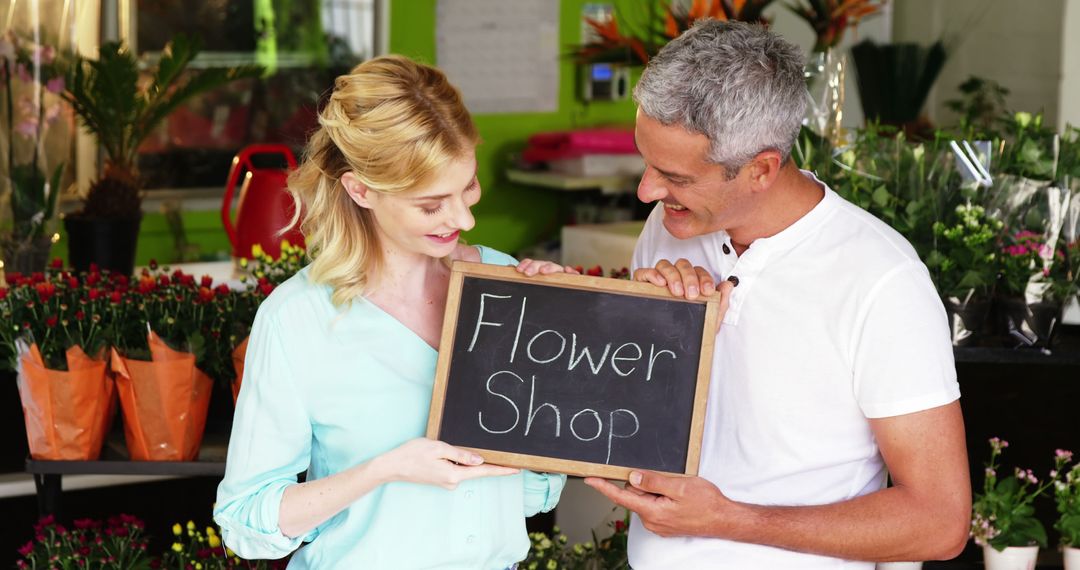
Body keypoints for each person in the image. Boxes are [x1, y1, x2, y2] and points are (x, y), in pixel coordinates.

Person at [583, 20, 971, 569]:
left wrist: (727, 519)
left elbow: (939, 522)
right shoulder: (669, 226)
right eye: (646, 163)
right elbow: (637, 420)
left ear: (761, 169)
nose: (647, 190)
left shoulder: (881, 280)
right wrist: (638, 328)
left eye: (675, 176)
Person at [214, 55, 566, 569]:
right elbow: (245, 522)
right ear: (361, 190)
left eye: (467, 187)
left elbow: (534, 496)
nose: (463, 217)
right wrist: (384, 470)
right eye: (431, 204)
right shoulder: (298, 319)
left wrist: (560, 343)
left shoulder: (504, 282)